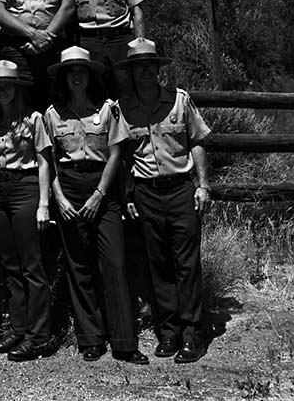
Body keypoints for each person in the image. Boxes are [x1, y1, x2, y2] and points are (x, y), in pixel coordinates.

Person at [109, 38, 213, 364]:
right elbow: (122, 156)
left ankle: (191, 335)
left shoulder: (179, 102)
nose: (144, 72)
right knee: (158, 264)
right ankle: (168, 333)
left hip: (181, 189)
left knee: (187, 264)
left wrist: (203, 185)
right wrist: (128, 195)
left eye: (149, 66)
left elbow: (197, 141)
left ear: (158, 69)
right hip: (146, 191)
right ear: (131, 71)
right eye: (138, 67)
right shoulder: (123, 109)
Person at [44, 46, 147, 365]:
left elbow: (116, 154)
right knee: (79, 266)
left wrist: (100, 194)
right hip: (69, 188)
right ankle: (90, 339)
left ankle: (125, 342)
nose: (76, 76)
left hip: (102, 189)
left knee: (114, 264)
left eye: (82, 70)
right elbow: (47, 160)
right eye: (70, 71)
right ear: (63, 77)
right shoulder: (52, 114)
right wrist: (57, 196)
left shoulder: (108, 110)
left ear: (89, 75)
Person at [0, 59, 53, 362]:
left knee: (32, 264)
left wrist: (44, 202)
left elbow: (45, 161)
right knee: (9, 264)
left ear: (17, 89)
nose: (3, 90)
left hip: (25, 188)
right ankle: (18, 328)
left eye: (8, 85)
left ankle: (39, 336)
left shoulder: (32, 119)